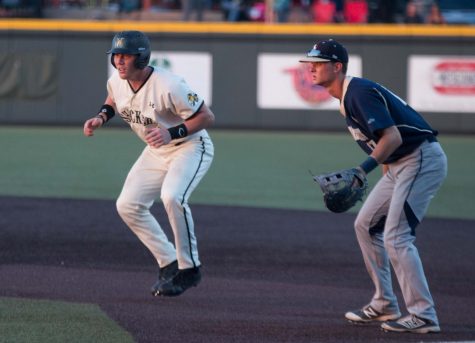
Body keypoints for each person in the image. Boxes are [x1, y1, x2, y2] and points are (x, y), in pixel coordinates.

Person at [299, 39, 447, 334]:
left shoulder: (358, 92)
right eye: (310, 63)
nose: (311, 68)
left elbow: (392, 137)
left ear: (337, 67)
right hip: (399, 165)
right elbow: (383, 144)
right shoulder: (347, 96)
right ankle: (385, 304)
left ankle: (424, 314)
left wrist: (360, 171)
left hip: (420, 159)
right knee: (365, 225)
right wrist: (383, 175)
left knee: (396, 236)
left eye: (318, 63)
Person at [83, 31, 215, 297]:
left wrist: (171, 132)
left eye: (126, 56)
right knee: (128, 205)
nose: (119, 61)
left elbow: (206, 116)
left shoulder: (169, 84)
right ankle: (168, 262)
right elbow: (113, 100)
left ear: (141, 58)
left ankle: (190, 269)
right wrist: (101, 117)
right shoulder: (117, 81)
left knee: (172, 196)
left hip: (189, 146)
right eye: (116, 55)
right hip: (156, 150)